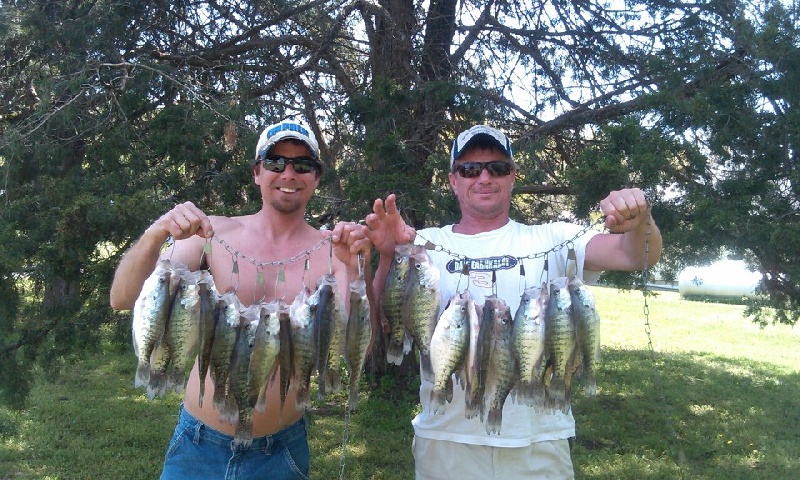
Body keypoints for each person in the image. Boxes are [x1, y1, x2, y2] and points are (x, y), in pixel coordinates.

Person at [364, 124, 663, 479]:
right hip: (446, 440)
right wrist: (387, 255)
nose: (484, 177)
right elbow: (384, 317)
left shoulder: (553, 236)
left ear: (512, 177)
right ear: (453, 181)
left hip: (537, 444)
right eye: (470, 169)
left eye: (498, 168)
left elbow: (636, 256)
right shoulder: (423, 245)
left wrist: (640, 219)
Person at [110, 118, 373, 480]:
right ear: (256, 173)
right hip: (198, 446)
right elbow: (122, 298)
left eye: (303, 164)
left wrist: (358, 269)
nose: (289, 173)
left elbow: (355, 344)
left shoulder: (333, 254)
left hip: (280, 453)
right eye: (276, 162)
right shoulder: (210, 235)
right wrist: (154, 235)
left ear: (316, 177)